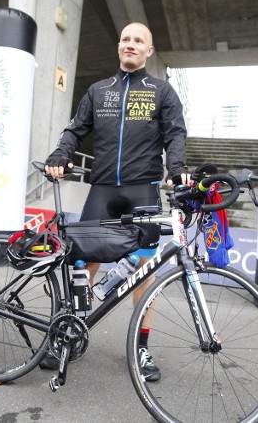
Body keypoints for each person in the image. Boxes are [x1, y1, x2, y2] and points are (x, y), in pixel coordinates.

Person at [43, 22, 190, 381]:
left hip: (142, 191)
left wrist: (178, 168)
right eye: (126, 39)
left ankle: (140, 349)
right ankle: (69, 335)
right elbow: (76, 129)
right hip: (103, 190)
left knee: (144, 273)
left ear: (148, 51)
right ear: (120, 46)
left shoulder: (161, 91)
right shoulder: (98, 90)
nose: (131, 44)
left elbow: (175, 133)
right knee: (83, 262)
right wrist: (61, 154)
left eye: (139, 40)